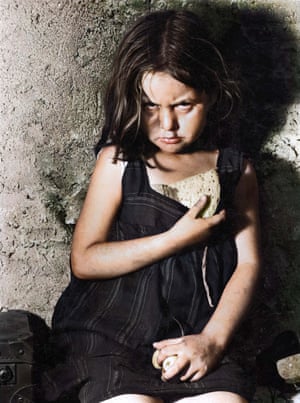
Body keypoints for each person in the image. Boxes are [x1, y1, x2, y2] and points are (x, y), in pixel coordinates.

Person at [42, 9, 261, 403]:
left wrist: (211, 341)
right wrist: (174, 240)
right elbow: (85, 260)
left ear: (210, 94)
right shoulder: (118, 161)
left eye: (183, 105)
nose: (167, 125)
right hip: (110, 337)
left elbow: (248, 264)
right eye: (150, 106)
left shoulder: (234, 169)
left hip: (192, 335)